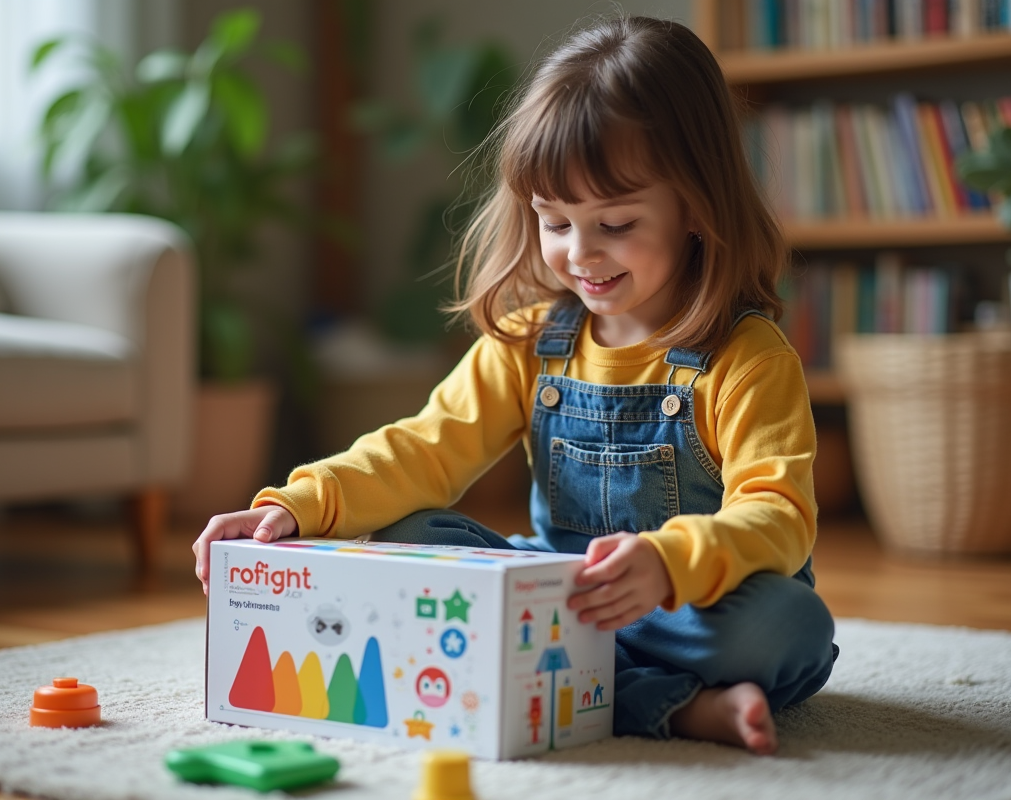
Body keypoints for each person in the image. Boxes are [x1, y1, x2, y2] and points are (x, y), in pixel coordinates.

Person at [193, 16, 837, 755]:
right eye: (555, 223)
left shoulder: (748, 357)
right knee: (407, 536)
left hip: (685, 606)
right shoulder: (531, 341)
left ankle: (596, 687)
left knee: (789, 625)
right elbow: (423, 450)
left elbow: (778, 516)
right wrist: (297, 506)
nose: (580, 253)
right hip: (554, 599)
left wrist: (669, 565)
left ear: (696, 207)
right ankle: (673, 705)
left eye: (615, 224)